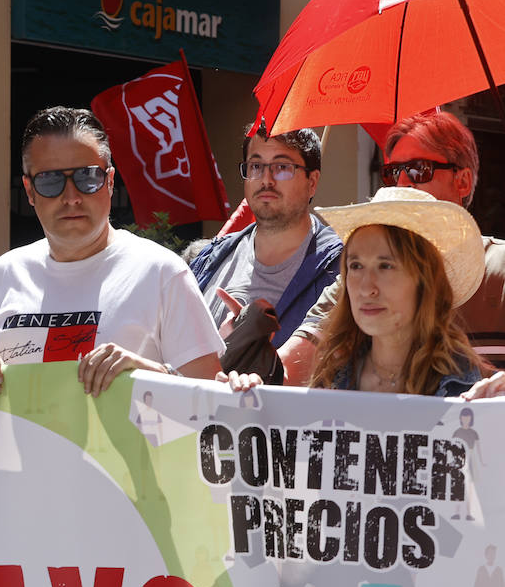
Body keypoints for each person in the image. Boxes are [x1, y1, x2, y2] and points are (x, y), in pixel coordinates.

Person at [0, 106, 223, 397]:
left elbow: (212, 403)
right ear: (29, 191)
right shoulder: (5, 274)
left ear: (109, 182)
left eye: (87, 177)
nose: (71, 197)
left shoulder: (162, 272)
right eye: (50, 181)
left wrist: (153, 375)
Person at [285, 109, 505, 383]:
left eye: (418, 169)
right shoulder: (361, 279)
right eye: (393, 172)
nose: (403, 182)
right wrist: (245, 353)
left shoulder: (501, 267)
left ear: (462, 181)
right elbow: (289, 370)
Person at [223, 187, 487, 397]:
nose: (365, 287)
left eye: (386, 265)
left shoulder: (463, 388)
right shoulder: (332, 377)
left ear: (424, 280)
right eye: (356, 266)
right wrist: (250, 393)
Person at [188, 125, 340, 350]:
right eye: (256, 166)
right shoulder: (211, 256)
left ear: (312, 182)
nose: (266, 179)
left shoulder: (341, 270)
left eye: (282, 167)